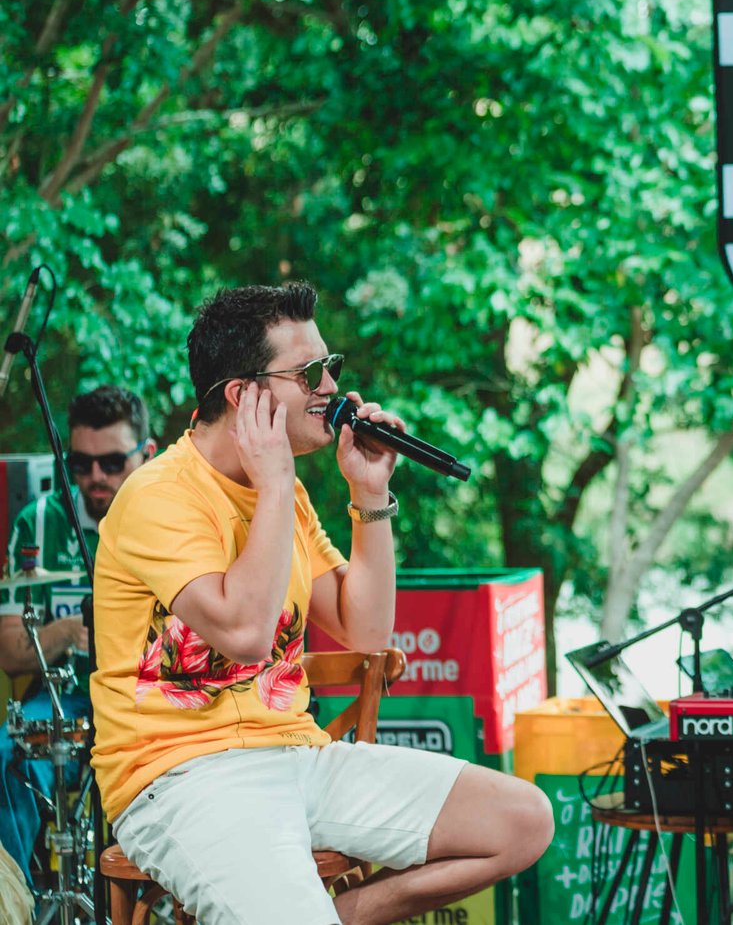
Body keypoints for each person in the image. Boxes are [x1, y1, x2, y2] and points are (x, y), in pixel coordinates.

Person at [90, 282, 552, 925]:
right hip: (179, 777)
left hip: (297, 757)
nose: (331, 388)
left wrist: (369, 493)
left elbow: (367, 630)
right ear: (243, 395)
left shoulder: (287, 496)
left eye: (330, 368)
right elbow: (246, 635)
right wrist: (277, 481)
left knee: (522, 820)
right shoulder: (157, 496)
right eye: (308, 374)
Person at [0, 384, 155, 881]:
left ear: (147, 454)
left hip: (151, 700)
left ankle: (155, 901)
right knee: (6, 755)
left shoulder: (171, 519)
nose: (95, 477)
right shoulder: (38, 523)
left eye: (112, 462)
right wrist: (68, 631)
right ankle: (21, 901)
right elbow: (9, 652)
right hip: (65, 698)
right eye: (80, 464)